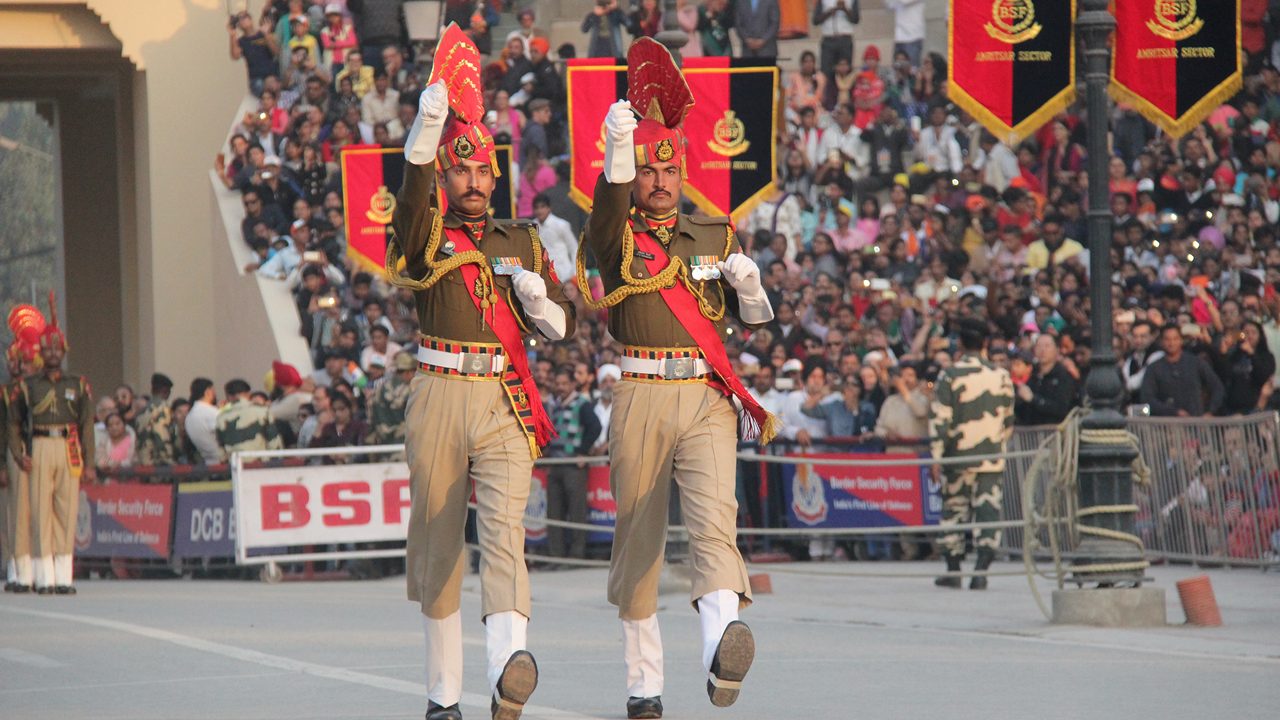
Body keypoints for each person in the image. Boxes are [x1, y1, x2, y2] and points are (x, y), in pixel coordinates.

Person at [578, 39, 775, 718]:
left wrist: (751, 290)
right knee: (639, 540)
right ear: (634, 174)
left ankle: (723, 652)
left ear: (683, 169)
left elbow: (750, 321)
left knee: (716, 522)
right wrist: (613, 155)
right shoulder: (616, 239)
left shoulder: (715, 236)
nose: (660, 180)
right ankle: (644, 685)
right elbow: (604, 218)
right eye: (647, 170)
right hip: (640, 391)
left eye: (670, 168)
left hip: (705, 393)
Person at [383, 26, 575, 720]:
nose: (472, 181)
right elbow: (407, 230)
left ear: (496, 176)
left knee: (505, 534)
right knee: (438, 547)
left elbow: (566, 323)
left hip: (502, 396)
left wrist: (540, 302)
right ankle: (443, 697)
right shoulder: (428, 232)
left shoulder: (521, 237)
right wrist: (424, 135)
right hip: (438, 391)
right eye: (458, 170)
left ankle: (505, 670)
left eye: (481, 171)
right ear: (445, 173)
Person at [6, 310, 96, 595]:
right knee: (39, 511)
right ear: (40, 354)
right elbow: (13, 423)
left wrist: (91, 461)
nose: (53, 353)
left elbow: (87, 425)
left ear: (64, 350)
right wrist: (19, 454)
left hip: (68, 446)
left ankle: (63, 576)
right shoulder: (27, 387)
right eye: (47, 349)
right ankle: (44, 577)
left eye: (57, 348)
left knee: (67, 511)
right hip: (40, 444)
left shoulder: (77, 384)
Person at [930, 319, 1015, 590]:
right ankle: (981, 570)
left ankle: (954, 570)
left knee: (954, 511)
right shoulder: (1001, 376)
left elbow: (939, 420)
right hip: (990, 457)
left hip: (957, 458)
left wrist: (936, 456)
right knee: (988, 512)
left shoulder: (950, 376)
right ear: (986, 345)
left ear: (961, 345)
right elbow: (1008, 421)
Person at [543, 365, 602, 561]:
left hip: (573, 466)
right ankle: (555, 556)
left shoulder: (582, 404)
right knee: (554, 513)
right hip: (555, 464)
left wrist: (583, 451)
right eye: (558, 383)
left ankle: (577, 555)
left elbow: (596, 427)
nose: (560, 387)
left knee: (577, 512)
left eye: (564, 383)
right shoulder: (555, 405)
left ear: (572, 384)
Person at [2, 336, 39, 592]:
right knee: (15, 513)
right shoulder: (6, 392)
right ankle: (16, 566)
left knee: (39, 511)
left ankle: (41, 568)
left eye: (24, 361)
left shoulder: (40, 388)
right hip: (14, 452)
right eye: (15, 362)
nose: (19, 366)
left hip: (40, 449)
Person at [1141, 324, 1225, 417]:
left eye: (1175, 339)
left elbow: (1217, 387)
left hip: (1196, 422)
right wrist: (1173, 412)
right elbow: (1147, 398)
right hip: (1166, 424)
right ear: (1161, 342)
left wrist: (1211, 411)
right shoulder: (1154, 368)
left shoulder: (1195, 363)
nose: (1171, 343)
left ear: (1181, 340)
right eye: (1167, 339)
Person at [1014, 335, 1080, 426]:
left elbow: (1061, 409)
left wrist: (1033, 399)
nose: (1042, 350)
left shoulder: (1064, 377)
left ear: (1057, 350)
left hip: (1056, 432)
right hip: (1031, 432)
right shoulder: (1033, 375)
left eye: (1047, 346)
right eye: (1039, 346)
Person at [1217, 320, 1276, 415]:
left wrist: (1252, 354)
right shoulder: (1234, 356)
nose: (1250, 336)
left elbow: (1263, 376)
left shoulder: (1267, 356)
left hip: (1258, 406)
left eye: (1253, 332)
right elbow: (1224, 376)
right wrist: (1224, 353)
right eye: (1246, 332)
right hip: (1234, 408)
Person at [216, 379, 283, 461]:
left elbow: (221, 450)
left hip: (236, 467)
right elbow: (274, 442)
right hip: (261, 465)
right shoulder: (263, 411)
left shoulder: (221, 418)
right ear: (248, 393)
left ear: (228, 396)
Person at [873, 363, 930, 451]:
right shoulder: (890, 401)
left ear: (917, 379)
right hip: (894, 454)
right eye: (902, 375)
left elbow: (921, 412)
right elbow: (878, 427)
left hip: (917, 455)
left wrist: (904, 391)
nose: (905, 379)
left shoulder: (924, 397)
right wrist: (886, 434)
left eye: (910, 375)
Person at [367, 351, 415, 447]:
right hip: (406, 444)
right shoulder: (412, 389)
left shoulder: (380, 388)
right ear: (408, 372)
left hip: (384, 444)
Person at [228, 11, 280, 96]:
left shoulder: (263, 34)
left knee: (274, 85)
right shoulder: (241, 41)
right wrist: (232, 35)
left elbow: (276, 52)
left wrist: (266, 34)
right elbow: (235, 56)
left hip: (272, 74)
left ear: (251, 19)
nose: (242, 21)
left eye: (244, 17)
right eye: (239, 20)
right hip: (256, 79)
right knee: (264, 87)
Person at [134, 373, 177, 465]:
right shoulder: (164, 410)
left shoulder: (141, 412)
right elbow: (163, 437)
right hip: (160, 465)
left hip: (144, 463)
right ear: (166, 391)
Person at [812, 0, 858, 79]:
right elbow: (815, 20)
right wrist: (830, 12)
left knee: (846, 74)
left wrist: (844, 9)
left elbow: (856, 19)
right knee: (826, 73)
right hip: (829, 40)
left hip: (845, 40)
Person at [185, 378, 221, 465]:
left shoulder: (189, 416)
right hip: (220, 461)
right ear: (208, 392)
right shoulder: (211, 412)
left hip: (205, 461)